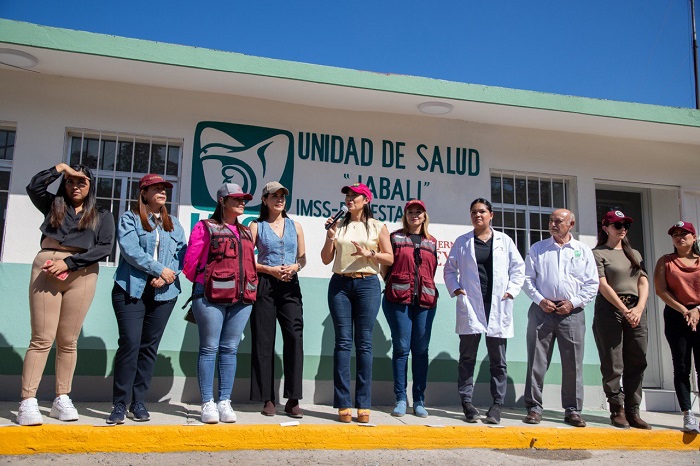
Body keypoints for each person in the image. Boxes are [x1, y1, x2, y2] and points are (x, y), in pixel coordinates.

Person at [17, 163, 115, 426]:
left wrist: (70, 263)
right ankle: (28, 400)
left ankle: (62, 397)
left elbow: (105, 247)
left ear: (91, 185)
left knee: (68, 340)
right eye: (71, 181)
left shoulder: (102, 214)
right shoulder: (53, 205)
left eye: (82, 181)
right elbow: (33, 186)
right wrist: (58, 168)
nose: (76, 186)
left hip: (81, 273)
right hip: (47, 269)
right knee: (42, 338)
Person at [107, 174, 187, 424]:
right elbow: (130, 251)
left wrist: (167, 276)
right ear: (143, 192)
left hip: (165, 293)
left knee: (149, 348)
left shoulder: (174, 224)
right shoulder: (129, 219)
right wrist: (157, 270)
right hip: (131, 289)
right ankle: (119, 403)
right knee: (130, 344)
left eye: (164, 188)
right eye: (156, 188)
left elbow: (180, 255)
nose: (162, 192)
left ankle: (138, 401)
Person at [444, 198, 525, 425]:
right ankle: (467, 404)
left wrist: (511, 291)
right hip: (471, 306)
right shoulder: (462, 242)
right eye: (473, 212)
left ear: (491, 215)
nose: (477, 215)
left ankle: (496, 405)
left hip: (497, 306)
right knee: (467, 357)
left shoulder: (505, 241)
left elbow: (519, 269)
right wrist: (456, 289)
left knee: (498, 360)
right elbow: (450, 270)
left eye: (482, 212)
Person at [182, 183, 257, 424]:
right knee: (209, 348)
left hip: (242, 299)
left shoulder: (246, 231)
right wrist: (210, 283)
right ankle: (207, 402)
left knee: (230, 349)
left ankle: (224, 401)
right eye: (236, 199)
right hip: (210, 296)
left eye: (243, 199)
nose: (242, 202)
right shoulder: (205, 227)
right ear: (222, 201)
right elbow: (190, 265)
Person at [320, 182, 393, 423]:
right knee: (342, 343)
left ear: (366, 200)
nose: (350, 199)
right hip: (340, 284)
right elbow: (325, 258)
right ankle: (343, 403)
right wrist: (330, 236)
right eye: (348, 196)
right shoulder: (338, 225)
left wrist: (369, 255)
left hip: (368, 285)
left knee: (364, 344)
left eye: (355, 195)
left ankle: (363, 404)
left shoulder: (377, 226)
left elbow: (389, 257)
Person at [522, 208, 599, 427]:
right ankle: (534, 408)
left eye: (559, 221)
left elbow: (592, 284)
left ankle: (573, 410)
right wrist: (540, 300)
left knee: (573, 364)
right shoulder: (538, 249)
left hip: (571, 313)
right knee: (536, 362)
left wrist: (572, 303)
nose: (553, 224)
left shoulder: (582, 251)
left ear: (571, 224)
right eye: (551, 221)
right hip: (542, 311)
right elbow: (528, 280)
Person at [249, 181, 306, 418]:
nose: (279, 199)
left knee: (294, 337)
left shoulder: (296, 226)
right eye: (274, 196)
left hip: (290, 285)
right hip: (265, 283)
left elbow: (303, 259)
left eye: (282, 195)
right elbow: (247, 260)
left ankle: (293, 398)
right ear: (264, 200)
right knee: (264, 340)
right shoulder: (256, 226)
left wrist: (294, 267)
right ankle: (268, 397)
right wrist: (268, 269)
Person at [592, 210, 651, 429]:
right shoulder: (598, 253)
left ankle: (633, 410)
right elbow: (603, 284)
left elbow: (643, 282)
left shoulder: (634, 253)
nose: (623, 229)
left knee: (637, 359)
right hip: (610, 310)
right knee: (613, 361)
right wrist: (624, 310)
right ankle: (617, 409)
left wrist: (638, 308)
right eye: (617, 225)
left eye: (625, 225)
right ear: (606, 228)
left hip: (636, 308)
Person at [382, 199, 439, 418]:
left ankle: (419, 400)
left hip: (425, 302)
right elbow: (384, 268)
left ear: (425, 216)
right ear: (405, 215)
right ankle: (400, 399)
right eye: (410, 211)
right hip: (398, 300)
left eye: (419, 212)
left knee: (421, 351)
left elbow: (430, 272)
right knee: (401, 348)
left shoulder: (432, 242)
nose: (415, 215)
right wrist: (396, 285)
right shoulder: (395, 238)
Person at [653, 220, 700, 433]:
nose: (679, 237)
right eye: (675, 234)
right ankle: (688, 414)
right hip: (676, 315)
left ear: (694, 237)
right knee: (681, 366)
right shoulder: (666, 261)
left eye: (684, 233)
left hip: (699, 314)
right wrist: (684, 310)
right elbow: (661, 290)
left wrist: (696, 309)